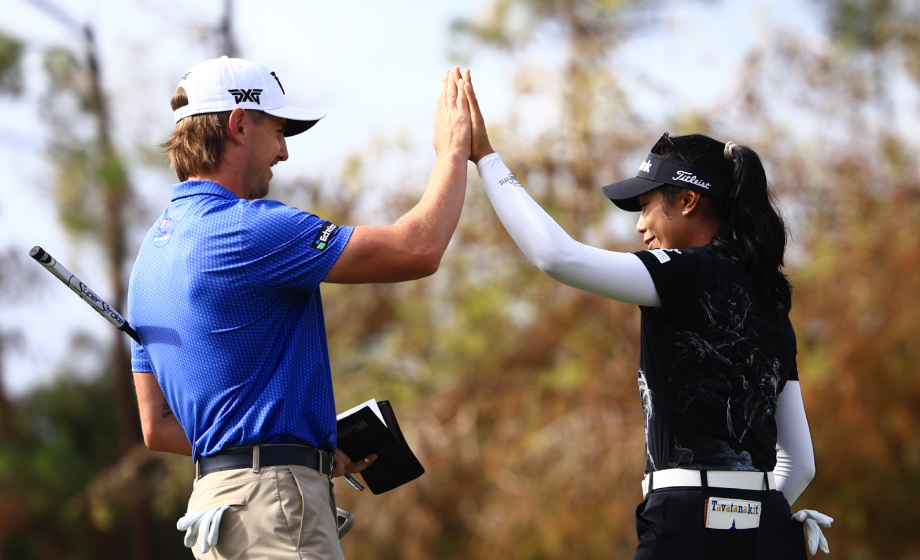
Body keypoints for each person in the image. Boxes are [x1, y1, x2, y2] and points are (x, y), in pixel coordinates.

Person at [459, 70, 832, 558]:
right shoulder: (770, 303)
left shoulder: (685, 272)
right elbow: (800, 464)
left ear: (688, 199)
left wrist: (485, 158)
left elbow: (557, 256)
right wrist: (754, 517)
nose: (640, 226)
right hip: (768, 531)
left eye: (647, 205)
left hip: (682, 523)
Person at [127, 57, 472, 559]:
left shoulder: (149, 259)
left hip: (216, 514)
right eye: (278, 130)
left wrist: (293, 444)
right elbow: (417, 249)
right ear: (239, 124)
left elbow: (157, 427)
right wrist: (453, 150)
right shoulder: (247, 227)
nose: (284, 152)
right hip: (274, 507)